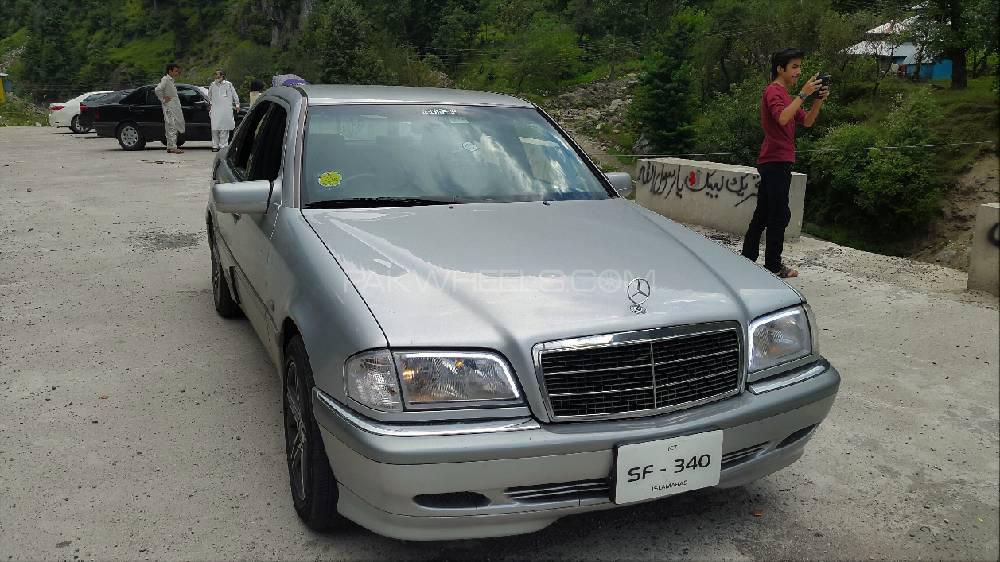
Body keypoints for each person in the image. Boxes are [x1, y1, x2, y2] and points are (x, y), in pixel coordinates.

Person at [741, 48, 829, 279]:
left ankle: (746, 259)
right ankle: (773, 265)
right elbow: (781, 118)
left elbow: (807, 121)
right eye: (795, 67)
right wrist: (803, 94)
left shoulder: (787, 97)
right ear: (781, 69)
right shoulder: (774, 91)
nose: (799, 72)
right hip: (775, 160)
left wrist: (817, 100)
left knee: (764, 213)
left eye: (800, 67)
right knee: (779, 214)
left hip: (778, 160)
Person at [154, 63, 185, 154]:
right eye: (175, 71)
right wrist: (163, 99)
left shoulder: (171, 80)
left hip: (172, 106)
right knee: (172, 126)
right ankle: (173, 147)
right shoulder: (166, 79)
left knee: (170, 126)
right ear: (170, 71)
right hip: (169, 107)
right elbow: (157, 89)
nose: (177, 73)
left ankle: (170, 146)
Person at [207, 69, 240, 152]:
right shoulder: (212, 85)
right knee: (215, 128)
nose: (216, 77)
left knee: (224, 128)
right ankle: (215, 146)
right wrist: (210, 104)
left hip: (226, 109)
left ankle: (223, 146)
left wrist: (237, 104)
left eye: (218, 75)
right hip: (215, 109)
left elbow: (234, 94)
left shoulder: (228, 84)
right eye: (215, 75)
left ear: (222, 76)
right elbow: (209, 96)